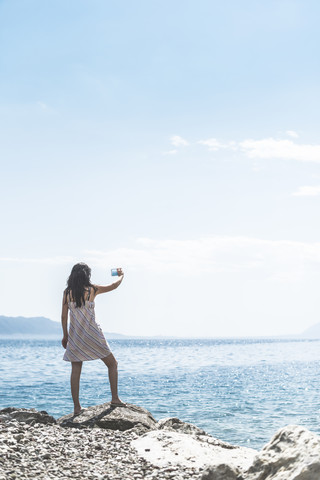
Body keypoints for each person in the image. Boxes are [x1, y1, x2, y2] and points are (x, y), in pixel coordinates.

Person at [61, 262, 125, 415]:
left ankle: (77, 408)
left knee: (76, 370)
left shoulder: (67, 293)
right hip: (93, 334)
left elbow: (64, 316)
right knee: (112, 364)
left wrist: (65, 335)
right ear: (86, 275)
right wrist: (121, 275)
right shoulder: (92, 289)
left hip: (76, 336)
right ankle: (115, 398)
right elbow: (113, 285)